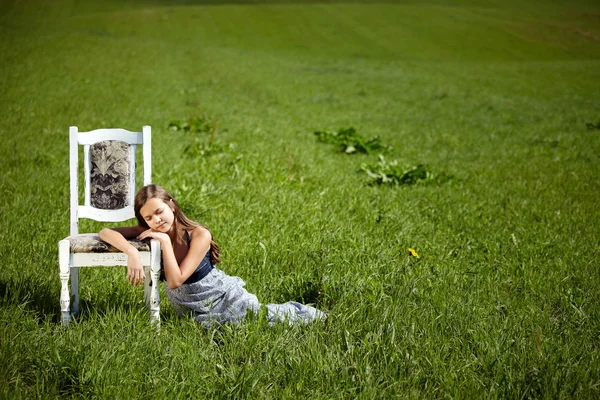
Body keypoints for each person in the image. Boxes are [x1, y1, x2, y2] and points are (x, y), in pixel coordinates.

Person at [98, 184, 325, 328]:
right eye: (148, 218)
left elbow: (176, 281)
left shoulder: (199, 235)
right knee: (213, 327)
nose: (156, 221)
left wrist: (165, 243)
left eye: (159, 212)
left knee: (263, 319)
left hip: (221, 296)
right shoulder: (151, 233)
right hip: (192, 309)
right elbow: (105, 232)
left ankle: (313, 314)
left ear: (172, 206)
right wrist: (131, 252)